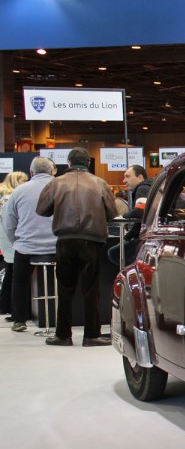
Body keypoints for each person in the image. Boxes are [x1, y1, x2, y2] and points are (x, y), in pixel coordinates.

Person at [35, 147, 118, 347]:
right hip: (92, 241)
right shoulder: (100, 183)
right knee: (91, 290)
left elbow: (42, 210)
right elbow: (112, 212)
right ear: (88, 163)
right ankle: (92, 335)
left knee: (65, 289)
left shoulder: (56, 183)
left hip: (65, 240)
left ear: (69, 163)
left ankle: (63, 335)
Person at [2, 160, 58, 332]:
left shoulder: (19, 191)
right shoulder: (62, 187)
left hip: (26, 246)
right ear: (52, 171)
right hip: (58, 246)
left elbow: (9, 222)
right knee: (65, 281)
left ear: (31, 172)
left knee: (19, 281)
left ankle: (19, 320)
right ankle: (63, 319)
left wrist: (16, 242)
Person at [107, 165, 153, 266]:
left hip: (147, 236)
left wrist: (125, 216)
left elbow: (140, 211)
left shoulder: (142, 188)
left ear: (139, 177)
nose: (123, 180)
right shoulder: (150, 187)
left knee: (114, 253)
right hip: (149, 235)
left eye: (127, 176)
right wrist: (128, 237)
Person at [0, 171, 30, 318]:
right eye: (23, 181)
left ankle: (5, 305)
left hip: (6, 238)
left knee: (10, 271)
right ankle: (12, 308)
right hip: (12, 239)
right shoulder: (11, 197)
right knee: (13, 273)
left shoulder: (4, 197)